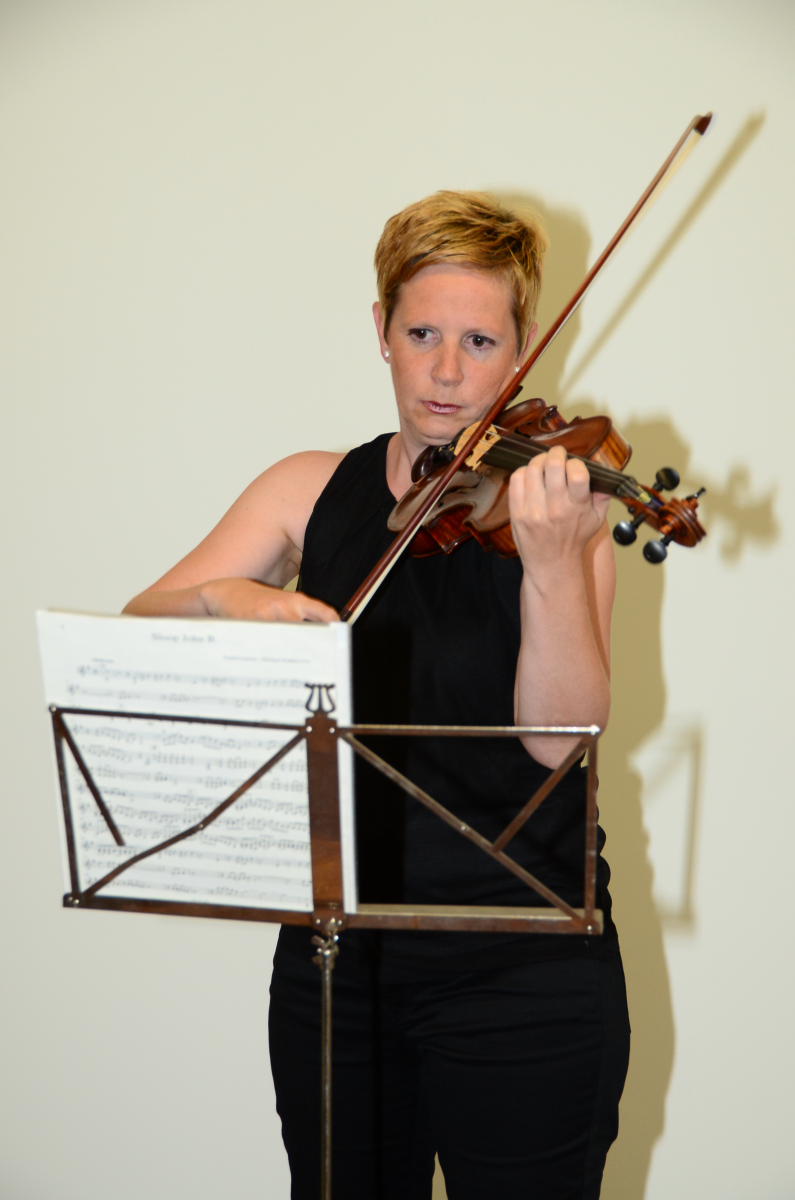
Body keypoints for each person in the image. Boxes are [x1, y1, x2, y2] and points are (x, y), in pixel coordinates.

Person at [124, 190, 630, 1199]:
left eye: (481, 341)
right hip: (337, 968)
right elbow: (141, 621)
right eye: (422, 334)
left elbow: (555, 741)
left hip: (526, 971)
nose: (447, 371)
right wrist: (227, 600)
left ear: (522, 350)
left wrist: (551, 566)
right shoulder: (309, 488)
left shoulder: (556, 512)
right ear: (381, 332)